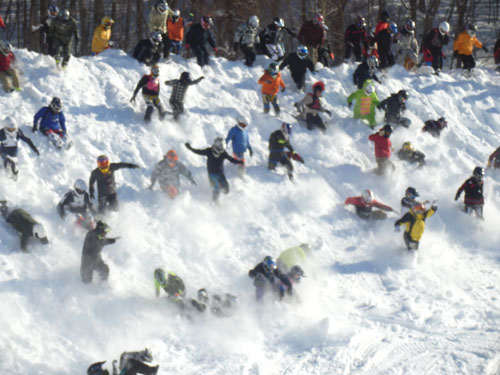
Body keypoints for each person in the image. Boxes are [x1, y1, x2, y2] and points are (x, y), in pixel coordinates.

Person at [185, 138, 243, 203]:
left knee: (226, 190)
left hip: (221, 174)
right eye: (219, 145)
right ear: (215, 145)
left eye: (222, 145)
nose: (221, 147)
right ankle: (215, 202)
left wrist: (239, 162)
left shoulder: (223, 153)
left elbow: (231, 159)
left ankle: (218, 196)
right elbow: (199, 151)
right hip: (212, 175)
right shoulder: (209, 151)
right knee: (216, 187)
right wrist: (190, 148)